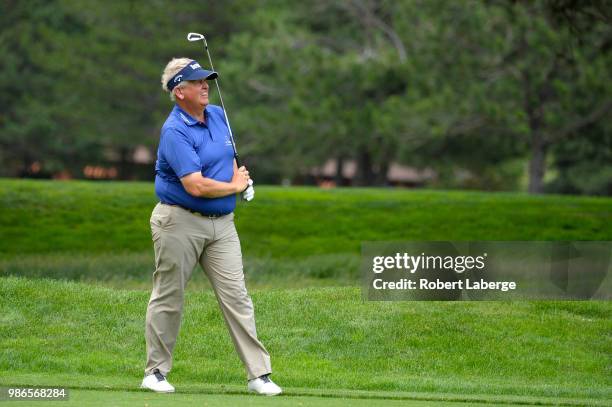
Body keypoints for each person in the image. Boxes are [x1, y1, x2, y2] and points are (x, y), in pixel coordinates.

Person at [141, 57, 281, 396]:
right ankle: (155, 372)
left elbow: (227, 156)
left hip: (222, 226)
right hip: (179, 222)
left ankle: (258, 376)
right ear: (179, 92)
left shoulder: (218, 115)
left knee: (238, 298)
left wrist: (240, 177)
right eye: (197, 81)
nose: (205, 85)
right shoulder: (174, 131)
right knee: (170, 296)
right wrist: (233, 187)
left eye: (207, 79)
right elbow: (196, 185)